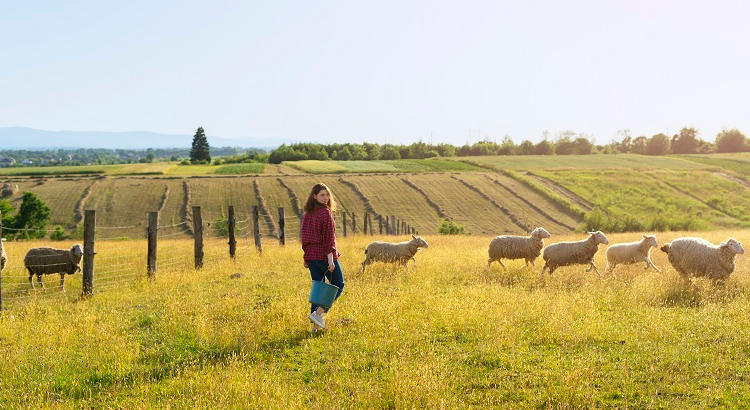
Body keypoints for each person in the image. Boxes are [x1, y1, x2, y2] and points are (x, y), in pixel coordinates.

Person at [301, 183, 345, 333]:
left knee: (318, 290)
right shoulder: (325, 213)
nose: (326, 198)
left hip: (312, 257)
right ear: (315, 196)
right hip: (323, 256)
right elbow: (328, 238)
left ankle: (315, 328)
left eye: (327, 195)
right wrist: (331, 259)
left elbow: (304, 238)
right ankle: (318, 313)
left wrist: (306, 257)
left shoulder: (308, 214)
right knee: (338, 283)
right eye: (322, 195)